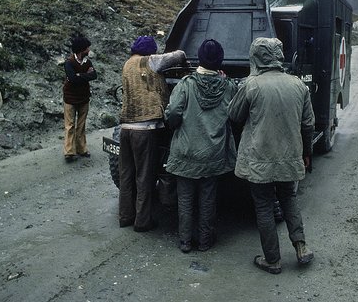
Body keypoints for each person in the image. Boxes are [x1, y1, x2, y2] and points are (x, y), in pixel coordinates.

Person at [228, 37, 315, 274]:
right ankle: (301, 247)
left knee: (264, 206)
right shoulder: (298, 85)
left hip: (259, 159)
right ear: (278, 55)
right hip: (290, 156)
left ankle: (273, 260)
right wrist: (307, 152)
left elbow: (234, 116)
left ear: (256, 57)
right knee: (289, 198)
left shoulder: (251, 85)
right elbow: (308, 124)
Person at [165, 39, 237, 253]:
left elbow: (173, 114)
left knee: (185, 199)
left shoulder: (186, 84)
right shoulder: (228, 86)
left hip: (186, 152)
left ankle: (185, 241)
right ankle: (205, 241)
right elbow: (234, 115)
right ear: (220, 61)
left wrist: (175, 125)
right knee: (208, 199)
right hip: (213, 154)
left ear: (200, 58)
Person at [119, 35, 186, 232]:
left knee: (126, 175)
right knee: (144, 177)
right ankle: (142, 221)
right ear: (150, 51)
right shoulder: (151, 61)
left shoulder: (127, 64)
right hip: (145, 129)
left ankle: (125, 216)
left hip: (126, 128)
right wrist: (183, 58)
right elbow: (178, 55)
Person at [63, 36, 97, 162]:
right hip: (70, 98)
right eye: (87, 48)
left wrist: (80, 75)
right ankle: (69, 152)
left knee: (81, 125)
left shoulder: (88, 62)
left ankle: (81, 149)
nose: (89, 50)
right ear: (82, 50)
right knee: (70, 125)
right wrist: (85, 75)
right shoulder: (69, 62)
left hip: (84, 97)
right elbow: (72, 78)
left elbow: (94, 75)